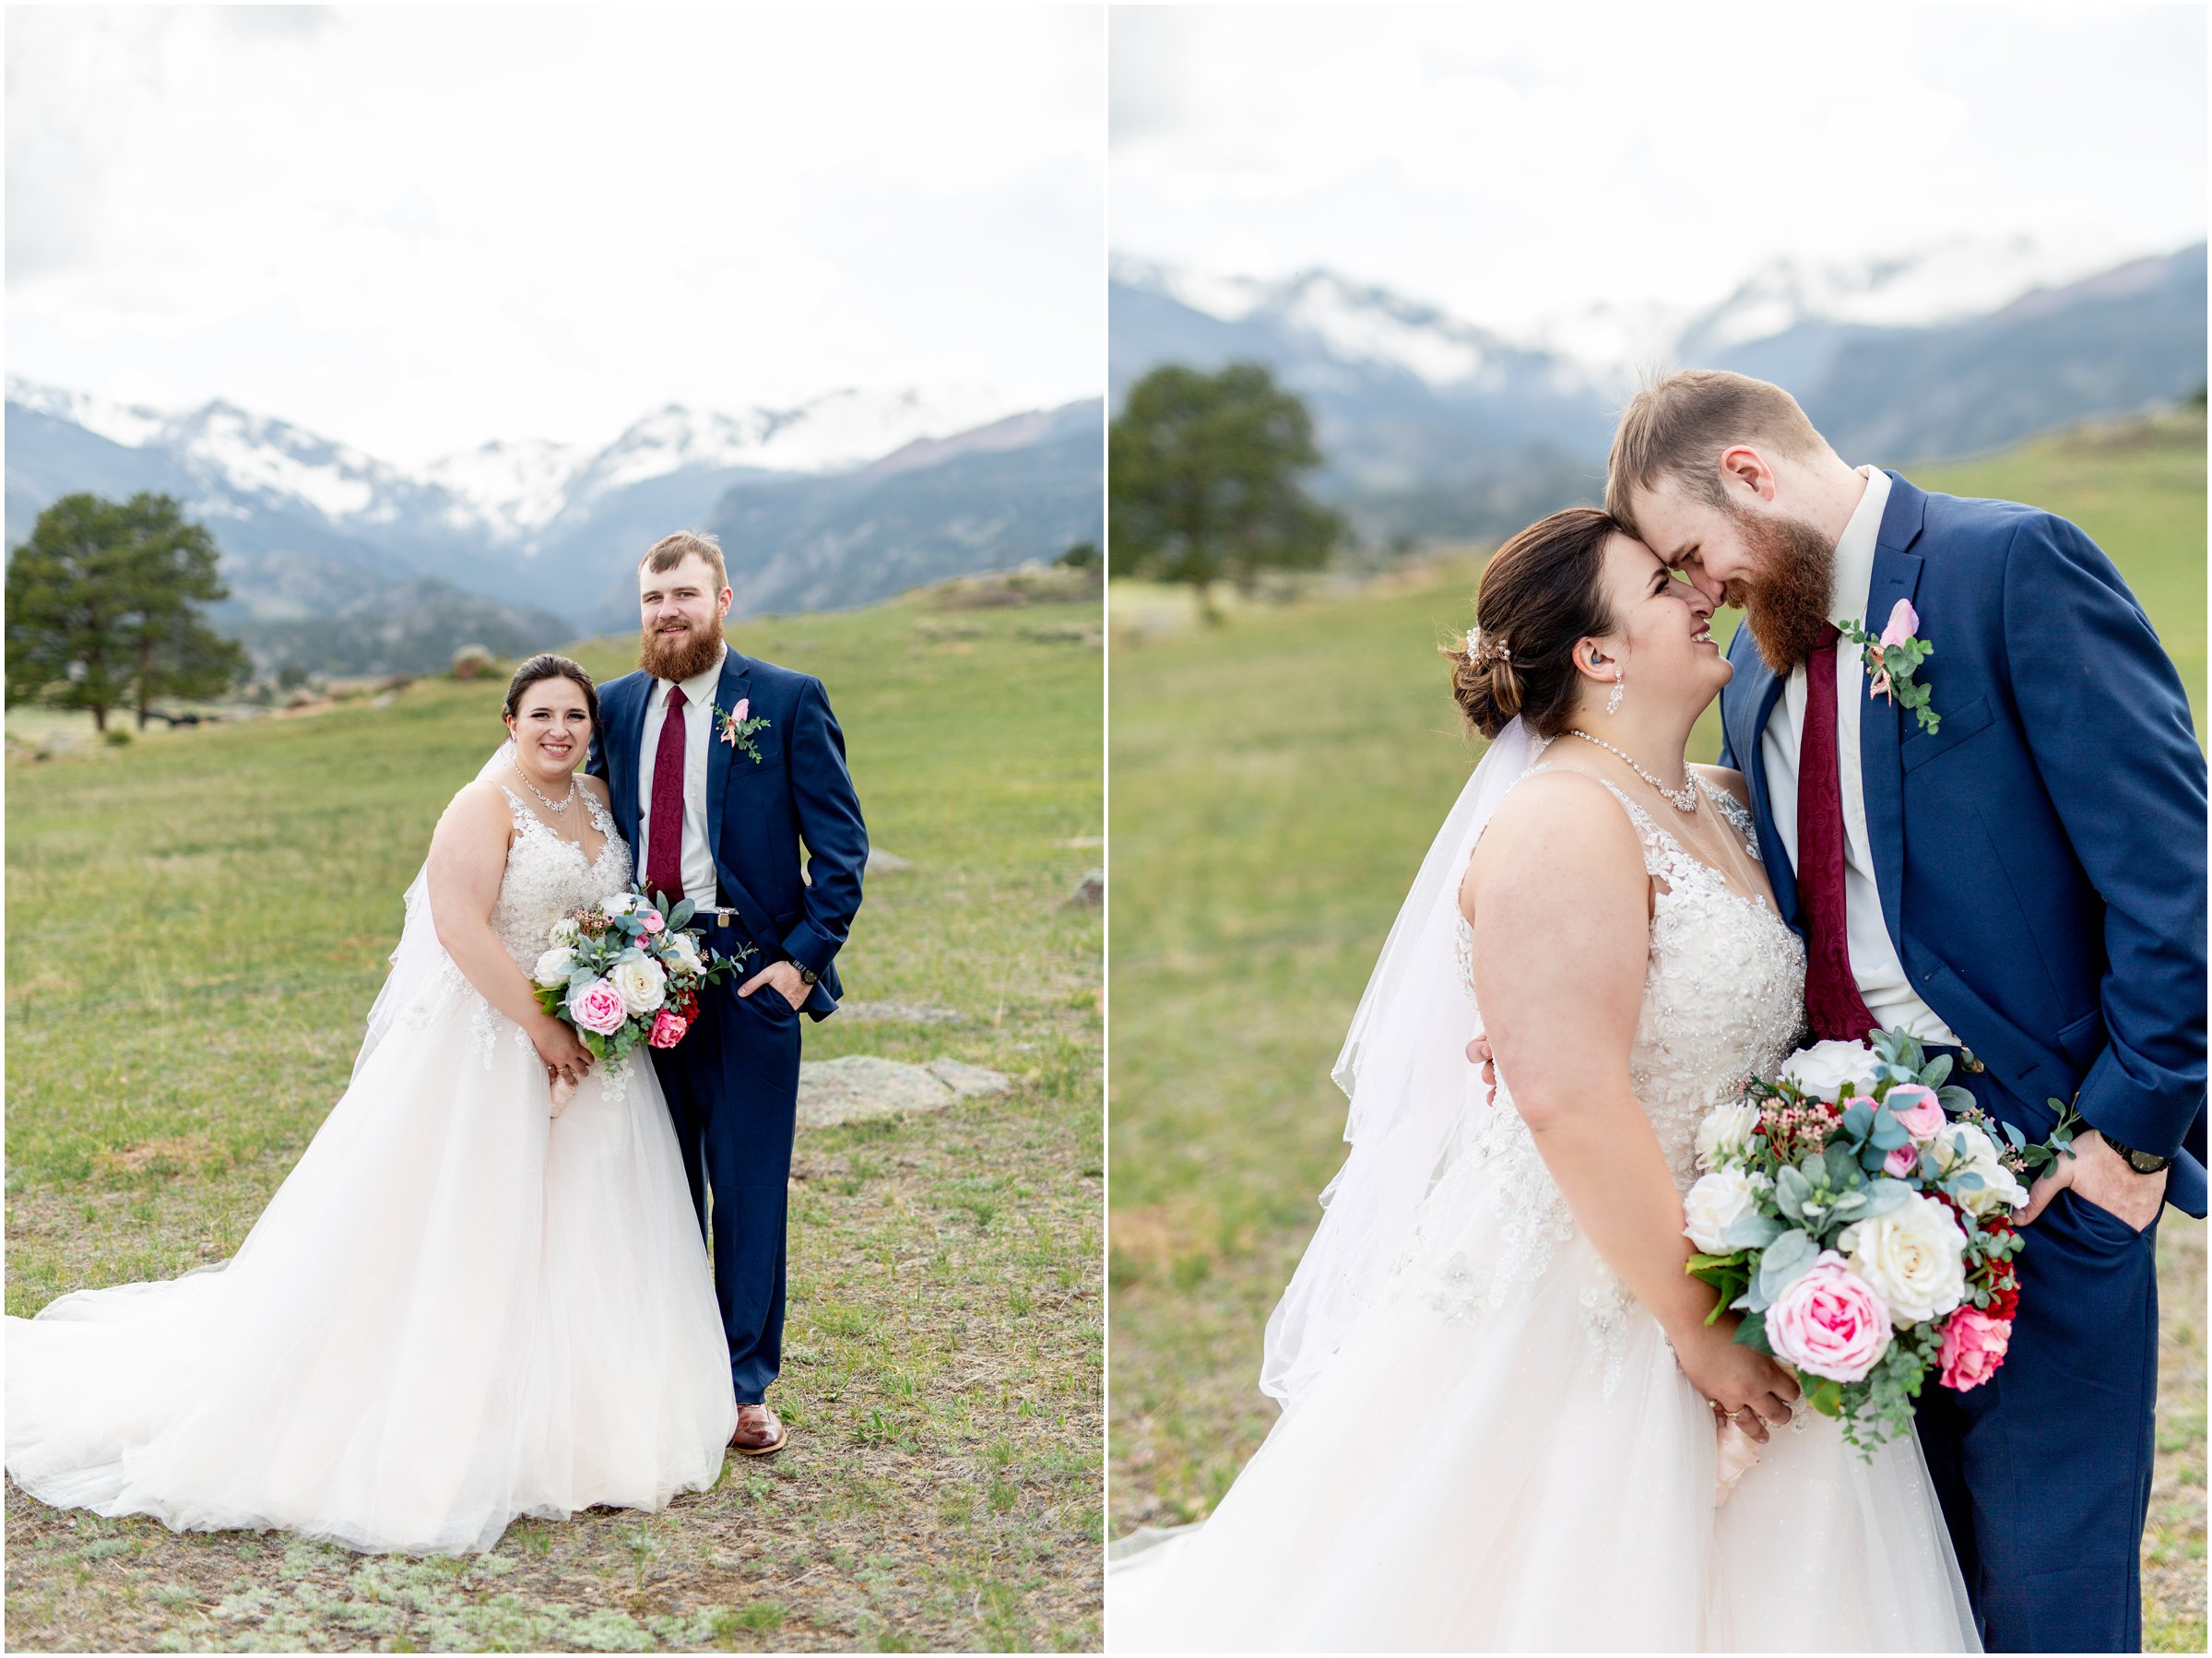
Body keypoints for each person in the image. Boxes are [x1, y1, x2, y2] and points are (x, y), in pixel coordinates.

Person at [1107, 510, 1978, 1651]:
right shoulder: (1561, 820)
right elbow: (1565, 1094)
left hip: (1749, 1260)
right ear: (1597, 654)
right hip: (1604, 1296)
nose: (1699, 592)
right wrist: (1694, 1327)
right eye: (1664, 585)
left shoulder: (1714, 797)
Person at [1604, 369, 2207, 1652]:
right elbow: (1739, 884)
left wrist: (2128, 1136)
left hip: (2049, 1171)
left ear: (1752, 477)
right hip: (1830, 1197)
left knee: (2049, 1595)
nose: (1697, 591)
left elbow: (2174, 875)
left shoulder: (2012, 566)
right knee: (1907, 1585)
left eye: (1687, 553)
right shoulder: (1759, 670)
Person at [6, 655, 737, 1555]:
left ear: (592, 728)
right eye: (541, 713)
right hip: (491, 1048)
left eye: (575, 716)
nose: (559, 729)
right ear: (507, 722)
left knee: (586, 1229)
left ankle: (587, 1418)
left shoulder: (593, 799)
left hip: (591, 1055)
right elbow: (458, 927)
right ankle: (442, 1414)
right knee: (466, 1231)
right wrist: (542, 1030)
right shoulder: (482, 805)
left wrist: (611, 997)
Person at [588, 531, 868, 1458]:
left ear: (722, 600)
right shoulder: (616, 707)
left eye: (683, 595)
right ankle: (666, 1375)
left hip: (750, 979)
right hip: (642, 979)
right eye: (650, 599)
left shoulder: (784, 701)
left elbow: (841, 852)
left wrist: (796, 966)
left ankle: (744, 1384)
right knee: (662, 1186)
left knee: (749, 1192)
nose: (665, 613)